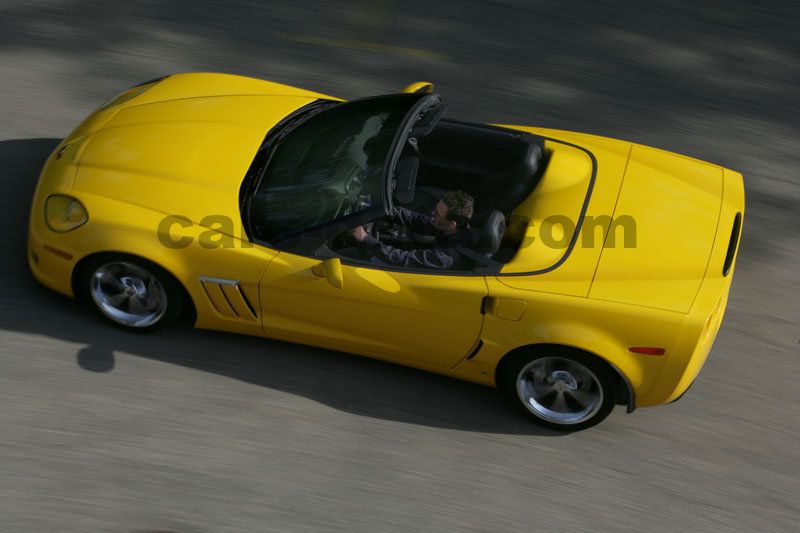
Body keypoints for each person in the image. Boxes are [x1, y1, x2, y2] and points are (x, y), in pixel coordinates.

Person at [350, 190, 475, 270]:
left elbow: (404, 259)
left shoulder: (446, 257)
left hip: (416, 279)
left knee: (356, 262)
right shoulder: (452, 227)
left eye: (437, 214)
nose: (433, 213)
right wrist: (383, 211)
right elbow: (416, 219)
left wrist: (366, 239)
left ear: (452, 224)